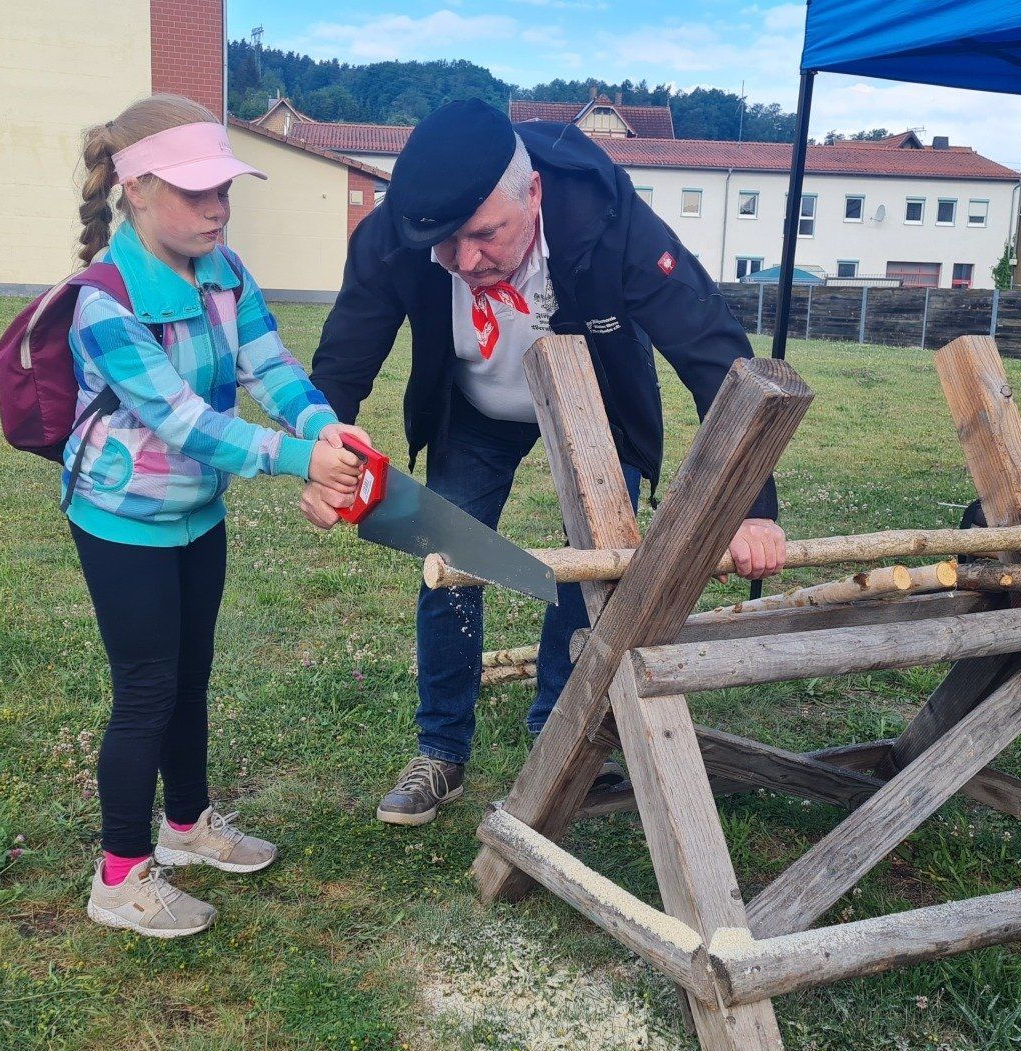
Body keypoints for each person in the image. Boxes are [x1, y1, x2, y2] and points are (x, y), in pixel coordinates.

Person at [301, 99, 789, 826]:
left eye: (485, 235)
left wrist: (751, 504)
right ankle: (440, 749)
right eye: (446, 246)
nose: (467, 262)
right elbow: (347, 348)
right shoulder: (396, 232)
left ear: (533, 193)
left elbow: (711, 349)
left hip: (596, 400)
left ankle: (559, 737)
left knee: (594, 567)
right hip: (475, 406)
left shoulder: (607, 215)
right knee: (448, 558)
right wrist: (319, 448)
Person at [63, 94, 373, 935]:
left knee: (190, 676)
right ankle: (120, 877)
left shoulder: (225, 271)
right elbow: (182, 421)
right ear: (135, 189)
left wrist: (321, 424)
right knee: (146, 690)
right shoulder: (104, 302)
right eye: (195, 191)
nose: (217, 208)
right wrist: (295, 459)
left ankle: (187, 825)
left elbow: (269, 366)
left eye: (223, 190)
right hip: (124, 520)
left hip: (197, 511)